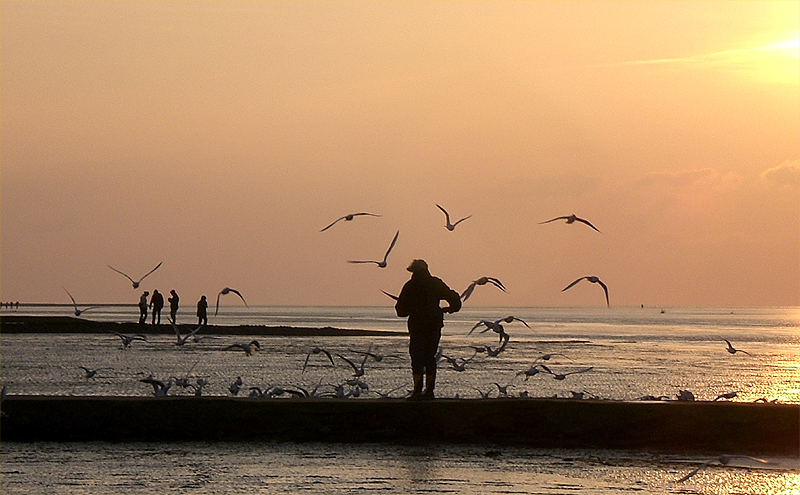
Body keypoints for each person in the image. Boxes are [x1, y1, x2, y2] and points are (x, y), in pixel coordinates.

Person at [395, 259, 462, 400]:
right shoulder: (435, 283)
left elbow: (400, 311)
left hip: (417, 326)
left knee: (417, 358)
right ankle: (429, 392)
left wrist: (412, 308)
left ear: (413, 271)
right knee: (430, 358)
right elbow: (454, 299)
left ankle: (417, 391)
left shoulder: (410, 286)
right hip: (434, 325)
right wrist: (450, 309)